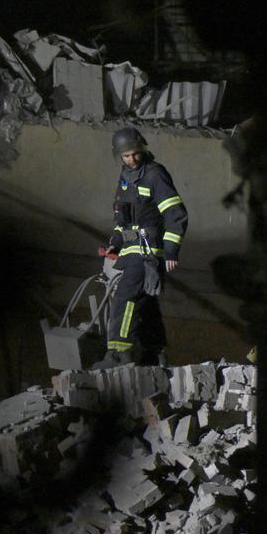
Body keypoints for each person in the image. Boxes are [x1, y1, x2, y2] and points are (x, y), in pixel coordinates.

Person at [93, 126, 187, 368]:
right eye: (125, 156)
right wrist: (114, 243)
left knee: (126, 296)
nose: (131, 159)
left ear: (143, 148)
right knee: (146, 304)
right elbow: (121, 222)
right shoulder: (125, 179)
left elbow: (175, 214)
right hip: (130, 249)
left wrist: (171, 251)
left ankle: (117, 353)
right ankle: (155, 355)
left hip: (149, 251)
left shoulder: (156, 174)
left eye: (135, 154)